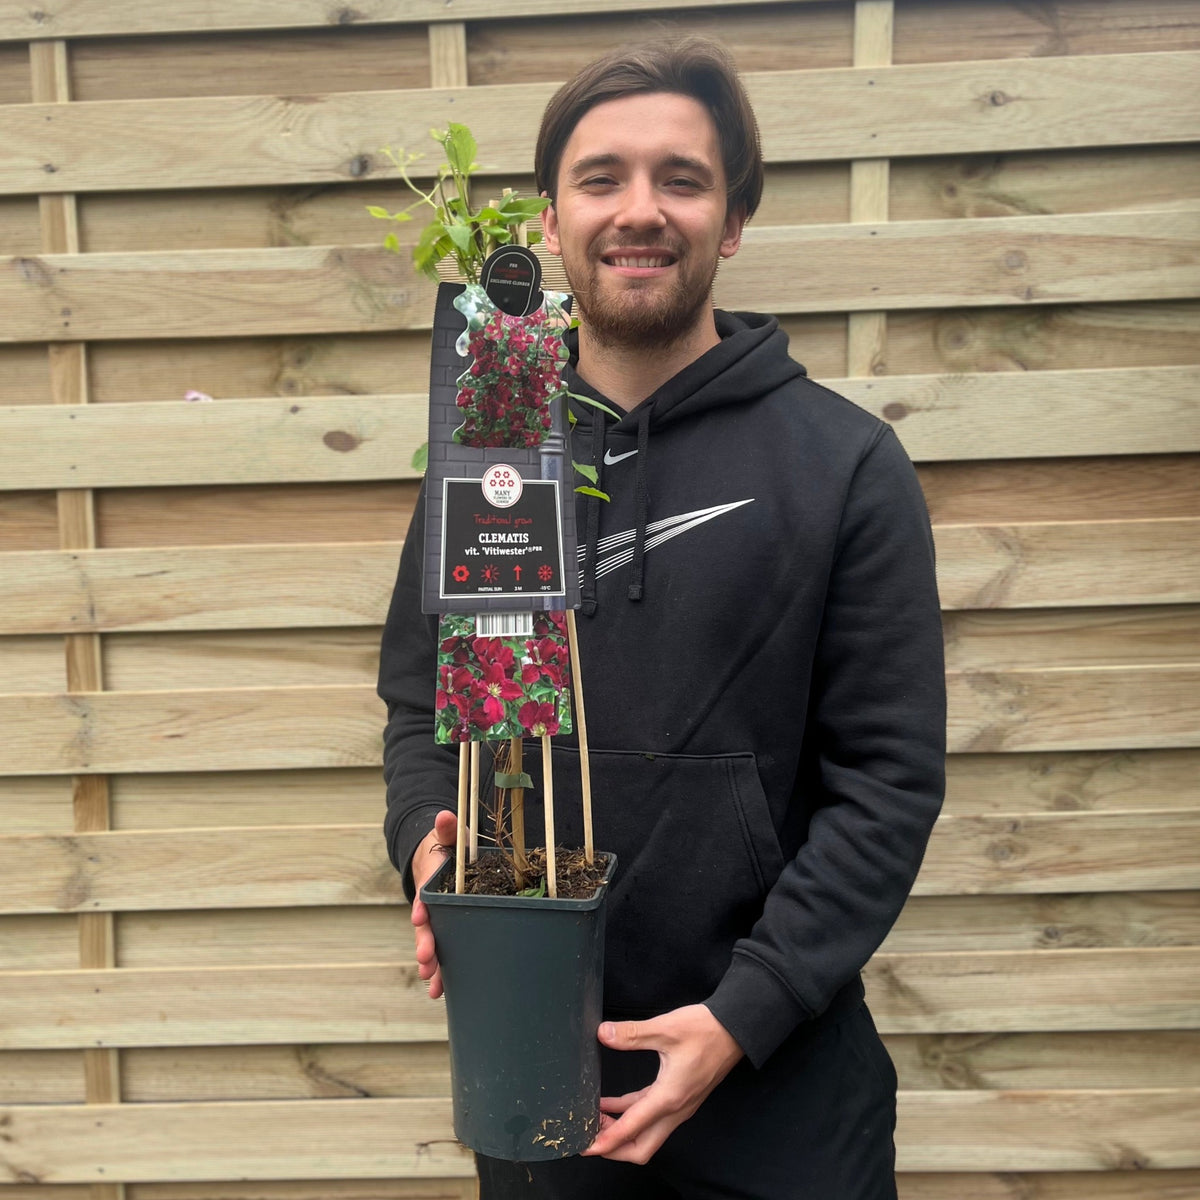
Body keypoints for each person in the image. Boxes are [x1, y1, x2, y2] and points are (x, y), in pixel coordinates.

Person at [378, 36, 946, 1200]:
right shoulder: (494, 462)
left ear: (732, 219)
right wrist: (431, 846)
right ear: (549, 219)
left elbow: (887, 781)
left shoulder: (844, 465)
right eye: (602, 178)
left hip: (785, 1101)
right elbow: (421, 713)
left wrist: (747, 1013)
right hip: (541, 1084)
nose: (640, 210)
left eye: (680, 178)